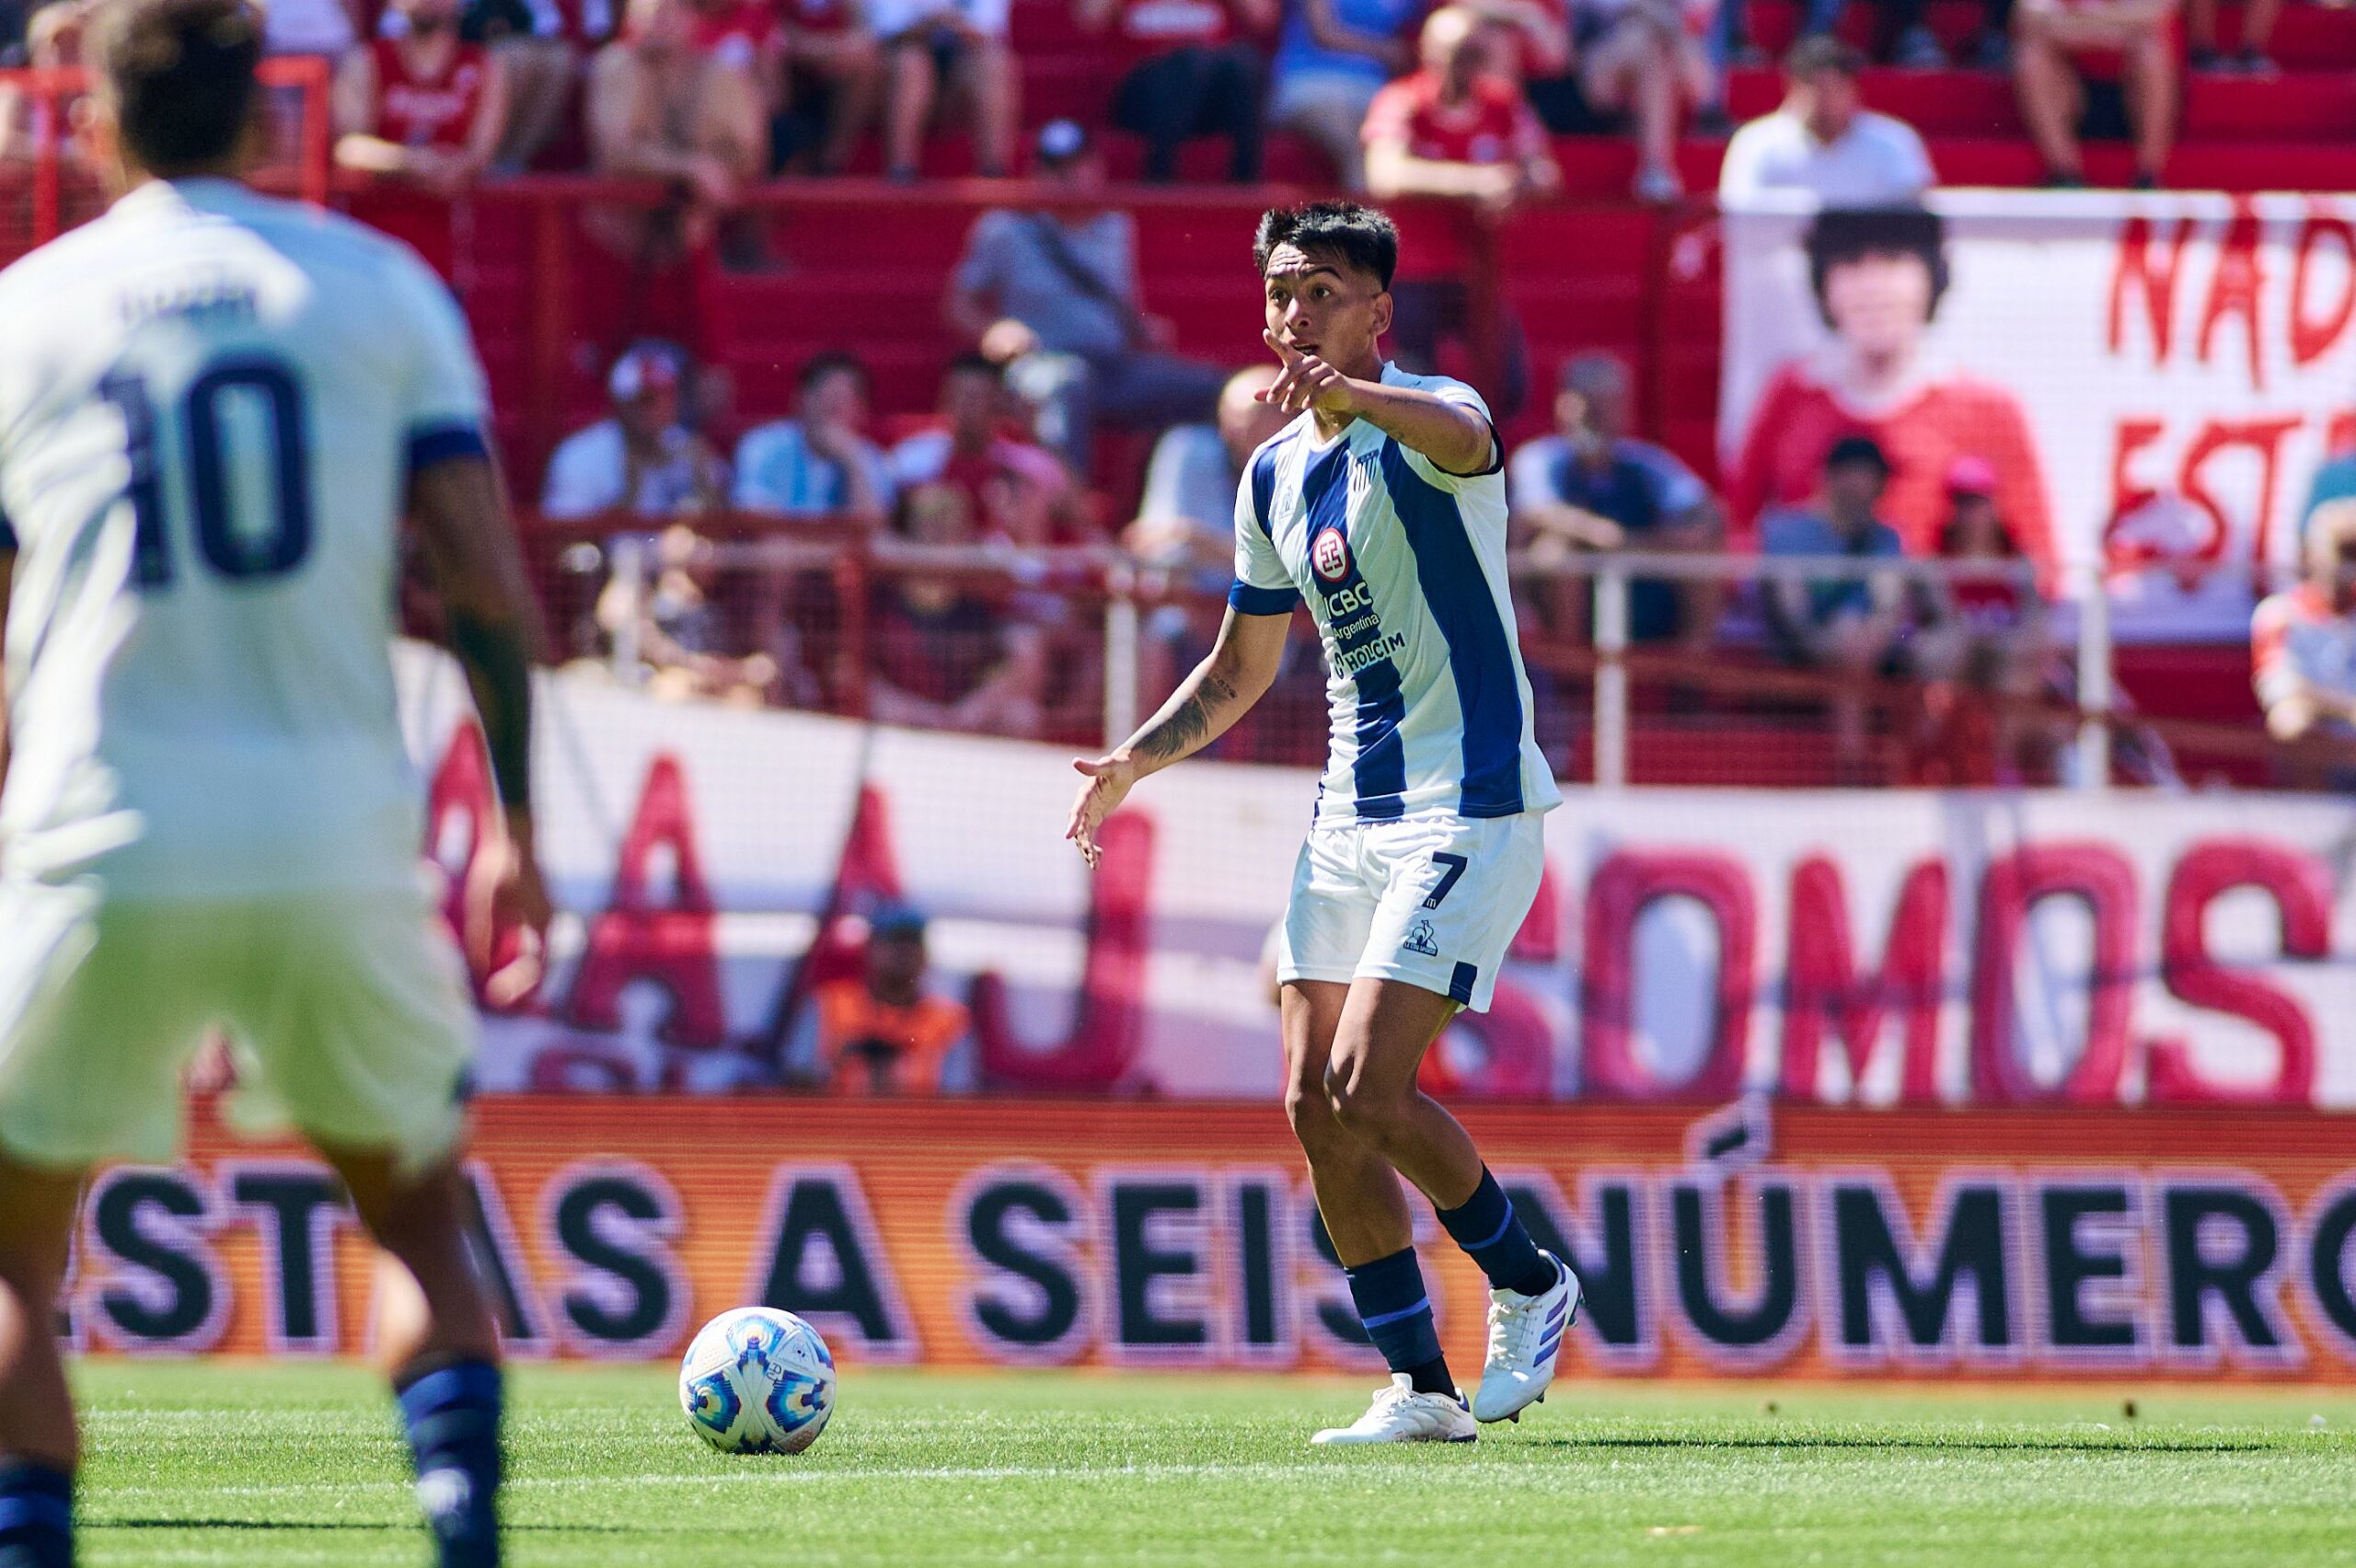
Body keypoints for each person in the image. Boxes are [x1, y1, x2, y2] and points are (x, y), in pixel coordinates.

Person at [0, 3, 553, 1564]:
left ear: (93, 126)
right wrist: (515, 825)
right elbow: (486, 588)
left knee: (10, 1257)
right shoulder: (380, 290)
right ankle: (459, 1531)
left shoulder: (27, 312)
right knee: (418, 1219)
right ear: (270, 122)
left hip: (97, 827)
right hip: (333, 828)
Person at [1065, 202, 1577, 1446]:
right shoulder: (1273, 473)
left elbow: (1469, 431)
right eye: (1285, 292)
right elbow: (1243, 669)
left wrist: (1360, 396)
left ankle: (1530, 1281)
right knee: (1309, 1096)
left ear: (1376, 313)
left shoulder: (1432, 422)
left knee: (1368, 1081)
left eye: (1326, 293)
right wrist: (1135, 760)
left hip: (1473, 798)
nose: (1300, 315)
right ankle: (1420, 1388)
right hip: (1352, 810)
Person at [1725, 205, 2054, 576]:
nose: (1872, 287)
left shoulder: (1988, 407)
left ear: (1932, 276)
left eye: (1894, 262)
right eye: (1850, 264)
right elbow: (1738, 532)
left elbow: (2039, 558)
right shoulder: (1791, 392)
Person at [945, 120, 1227, 472]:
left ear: (1097, 169)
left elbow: (1126, 307)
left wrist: (1144, 330)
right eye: (1055, 169)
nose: (1068, 178)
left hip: (1113, 367)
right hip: (1040, 363)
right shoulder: (1003, 228)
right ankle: (1071, 508)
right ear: (1036, 175)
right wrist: (992, 330)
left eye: (1077, 166)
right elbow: (958, 304)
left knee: (1215, 389)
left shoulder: (1117, 228)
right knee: (1065, 385)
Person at [1363, 8, 1557, 418]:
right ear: (1428, 52)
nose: (1465, 65)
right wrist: (1475, 183)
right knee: (1412, 381)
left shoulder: (1502, 104)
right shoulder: (1403, 101)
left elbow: (1543, 170)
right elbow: (1385, 173)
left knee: (1507, 384)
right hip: (1412, 271)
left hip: (1477, 270)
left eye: (1475, 54)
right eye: (1456, 53)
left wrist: (1518, 184)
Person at [1507, 351, 1723, 654]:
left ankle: (1692, 676)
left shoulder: (1645, 463)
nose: (1599, 417)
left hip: (1643, 585)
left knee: (1701, 552)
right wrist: (1598, 533)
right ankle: (1570, 678)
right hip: (1569, 597)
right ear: (1563, 404)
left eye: (1608, 405)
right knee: (1556, 552)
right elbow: (1537, 510)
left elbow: (1703, 511)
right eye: (1589, 403)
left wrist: (1641, 541)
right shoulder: (1540, 457)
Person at [1127, 365, 1288, 698]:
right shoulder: (1187, 450)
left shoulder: (1310, 466)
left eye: (1263, 412)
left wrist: (1201, 542)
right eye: (1236, 413)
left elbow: (1291, 569)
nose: (1244, 424)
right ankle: (1134, 747)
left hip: (1274, 627)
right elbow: (1152, 542)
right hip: (1186, 615)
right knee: (1153, 632)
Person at [1760, 434, 1911, 773]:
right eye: (1868, 476)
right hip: (1798, 650)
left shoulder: (1887, 539)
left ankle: (1864, 767)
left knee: (1867, 642)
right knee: (1848, 638)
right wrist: (1833, 642)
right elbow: (1792, 614)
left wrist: (1861, 640)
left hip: (1870, 649)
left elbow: (1889, 610)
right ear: (1837, 477)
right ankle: (1853, 769)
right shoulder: (1784, 532)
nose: (1875, 488)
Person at [584, 0, 768, 265]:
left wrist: (701, 172)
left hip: (695, 233)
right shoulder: (617, 64)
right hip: (617, 237)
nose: (661, 17)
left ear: (695, 16)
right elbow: (619, 151)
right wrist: (690, 168)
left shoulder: (719, 74)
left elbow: (746, 155)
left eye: (676, 8)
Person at [1910, 455, 2052, 782]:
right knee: (1947, 652)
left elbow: (2034, 622)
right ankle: (1935, 759)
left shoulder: (2018, 564)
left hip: (2004, 664)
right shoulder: (1937, 563)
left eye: (1980, 501)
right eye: (1963, 503)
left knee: (2022, 664)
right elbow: (1942, 624)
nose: (1972, 513)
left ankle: (2000, 766)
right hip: (1960, 665)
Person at [1718, 35, 1934, 207]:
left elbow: (1915, 224)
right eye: (1816, 90)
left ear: (1854, 90)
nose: (1826, 102)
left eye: (1836, 90)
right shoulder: (1755, 143)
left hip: (1872, 260)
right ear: (1792, 88)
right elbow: (1740, 221)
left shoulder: (1895, 142)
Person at [786, 906, 976, 1092]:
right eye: (894, 942)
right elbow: (792, 1080)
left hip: (917, 1122)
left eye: (913, 943)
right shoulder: (827, 1003)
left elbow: (961, 1094)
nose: (904, 952)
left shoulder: (950, 1020)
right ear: (870, 949)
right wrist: (843, 1060)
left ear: (925, 954)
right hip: (838, 1120)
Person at [542, 342, 730, 520]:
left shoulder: (689, 448)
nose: (657, 408)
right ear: (621, 403)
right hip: (612, 553)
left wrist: (704, 479)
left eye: (666, 395)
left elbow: (720, 512)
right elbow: (567, 531)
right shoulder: (580, 455)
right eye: (646, 398)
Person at [1563, 0, 1718, 202]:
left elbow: (1699, 13)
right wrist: (1661, 16)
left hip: (1676, 60)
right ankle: (1656, 168)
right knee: (1641, 37)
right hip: (1599, 67)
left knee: (1654, 49)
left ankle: (1655, 168)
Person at [2012, 0, 2177, 189]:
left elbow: (2156, 15)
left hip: (2128, 88)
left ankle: (2148, 176)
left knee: (2151, 50)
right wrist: (2115, 28)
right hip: (2070, 90)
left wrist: (2072, 28)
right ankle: (2065, 174)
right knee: (2032, 54)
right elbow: (2029, 15)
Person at [1265, 0, 1422, 190]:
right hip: (1312, 84)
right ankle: (1366, 213)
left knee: (1392, 138)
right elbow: (1323, 31)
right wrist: (1385, 51)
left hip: (1379, 92)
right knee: (1357, 146)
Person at [733, 350, 894, 519]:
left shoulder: (870, 458)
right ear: (799, 399)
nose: (831, 408)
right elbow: (753, 517)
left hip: (843, 545)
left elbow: (873, 529)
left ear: (862, 411)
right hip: (779, 545)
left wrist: (852, 462)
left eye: (841, 401)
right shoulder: (761, 446)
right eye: (824, 397)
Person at [871, 0, 1017, 179]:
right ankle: (901, 171)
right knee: (912, 63)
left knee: (994, 63)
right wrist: (938, 24)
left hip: (958, 78)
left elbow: (986, 32)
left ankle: (994, 172)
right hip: (896, 76)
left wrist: (944, 24)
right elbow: (887, 32)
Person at [2254, 499, 2356, 749]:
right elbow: (2282, 688)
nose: (2345, 568)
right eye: (2341, 552)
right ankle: (2312, 791)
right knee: (2291, 720)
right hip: (2320, 724)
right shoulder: (2280, 612)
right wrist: (2349, 709)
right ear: (2310, 555)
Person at [771, 0, 884, 173]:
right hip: (786, 68)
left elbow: (863, 33)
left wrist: (836, 50)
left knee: (865, 60)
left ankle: (830, 163)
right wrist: (824, 50)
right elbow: (775, 34)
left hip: (833, 69)